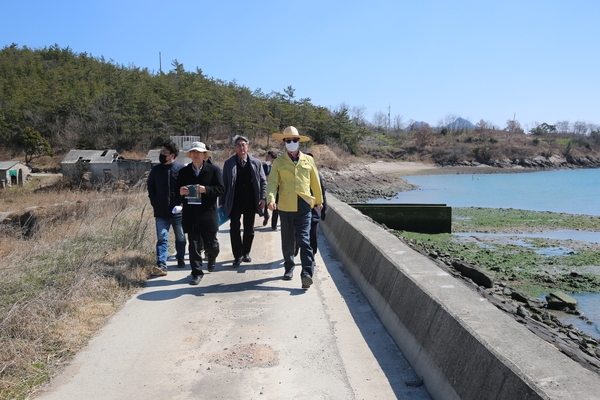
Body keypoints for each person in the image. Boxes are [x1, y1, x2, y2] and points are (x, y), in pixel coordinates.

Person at [266, 126, 323, 289]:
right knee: (288, 240)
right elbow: (272, 183)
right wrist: (270, 199)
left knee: (305, 240)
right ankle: (289, 266)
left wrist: (319, 201)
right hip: (285, 206)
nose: (291, 143)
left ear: (299, 141)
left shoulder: (308, 160)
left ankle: (306, 273)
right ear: (284, 143)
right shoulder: (279, 162)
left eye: (294, 140)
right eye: (288, 140)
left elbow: (315, 182)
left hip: (304, 205)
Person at [177, 142, 225, 285]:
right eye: (193, 152)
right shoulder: (184, 172)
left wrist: (206, 190)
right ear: (190, 155)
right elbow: (175, 191)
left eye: (199, 152)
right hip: (191, 214)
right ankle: (196, 272)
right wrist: (180, 192)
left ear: (205, 155)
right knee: (194, 245)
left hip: (208, 214)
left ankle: (211, 256)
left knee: (212, 245)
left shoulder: (214, 170)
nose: (196, 155)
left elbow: (221, 189)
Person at [220, 135, 267, 266]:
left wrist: (263, 197)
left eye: (244, 145)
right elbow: (224, 183)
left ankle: (246, 252)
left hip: (251, 200)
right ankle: (237, 255)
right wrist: (222, 202)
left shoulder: (256, 162)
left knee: (249, 228)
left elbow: (263, 181)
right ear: (235, 148)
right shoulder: (229, 163)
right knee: (234, 227)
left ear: (248, 147)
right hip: (234, 200)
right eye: (239, 145)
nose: (241, 147)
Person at [147, 140, 186, 276]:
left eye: (165, 152)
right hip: (161, 211)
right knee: (162, 238)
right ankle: (161, 264)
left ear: (172, 155)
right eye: (161, 152)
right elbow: (150, 186)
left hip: (178, 212)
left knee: (180, 237)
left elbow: (187, 190)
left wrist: (182, 204)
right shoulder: (156, 170)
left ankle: (180, 258)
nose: (162, 154)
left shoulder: (181, 170)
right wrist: (154, 201)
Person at [295, 152, 327, 257]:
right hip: (299, 209)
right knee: (298, 232)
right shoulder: (298, 175)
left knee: (313, 233)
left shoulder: (318, 176)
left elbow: (322, 194)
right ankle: (296, 246)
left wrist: (324, 210)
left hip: (314, 210)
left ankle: (312, 253)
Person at [262, 150, 279, 230]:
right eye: (266, 156)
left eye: (268, 157)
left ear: (272, 159)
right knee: (265, 204)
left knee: (276, 207)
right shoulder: (262, 166)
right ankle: (266, 216)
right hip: (265, 188)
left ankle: (274, 225)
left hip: (275, 189)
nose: (266, 158)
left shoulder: (276, 167)